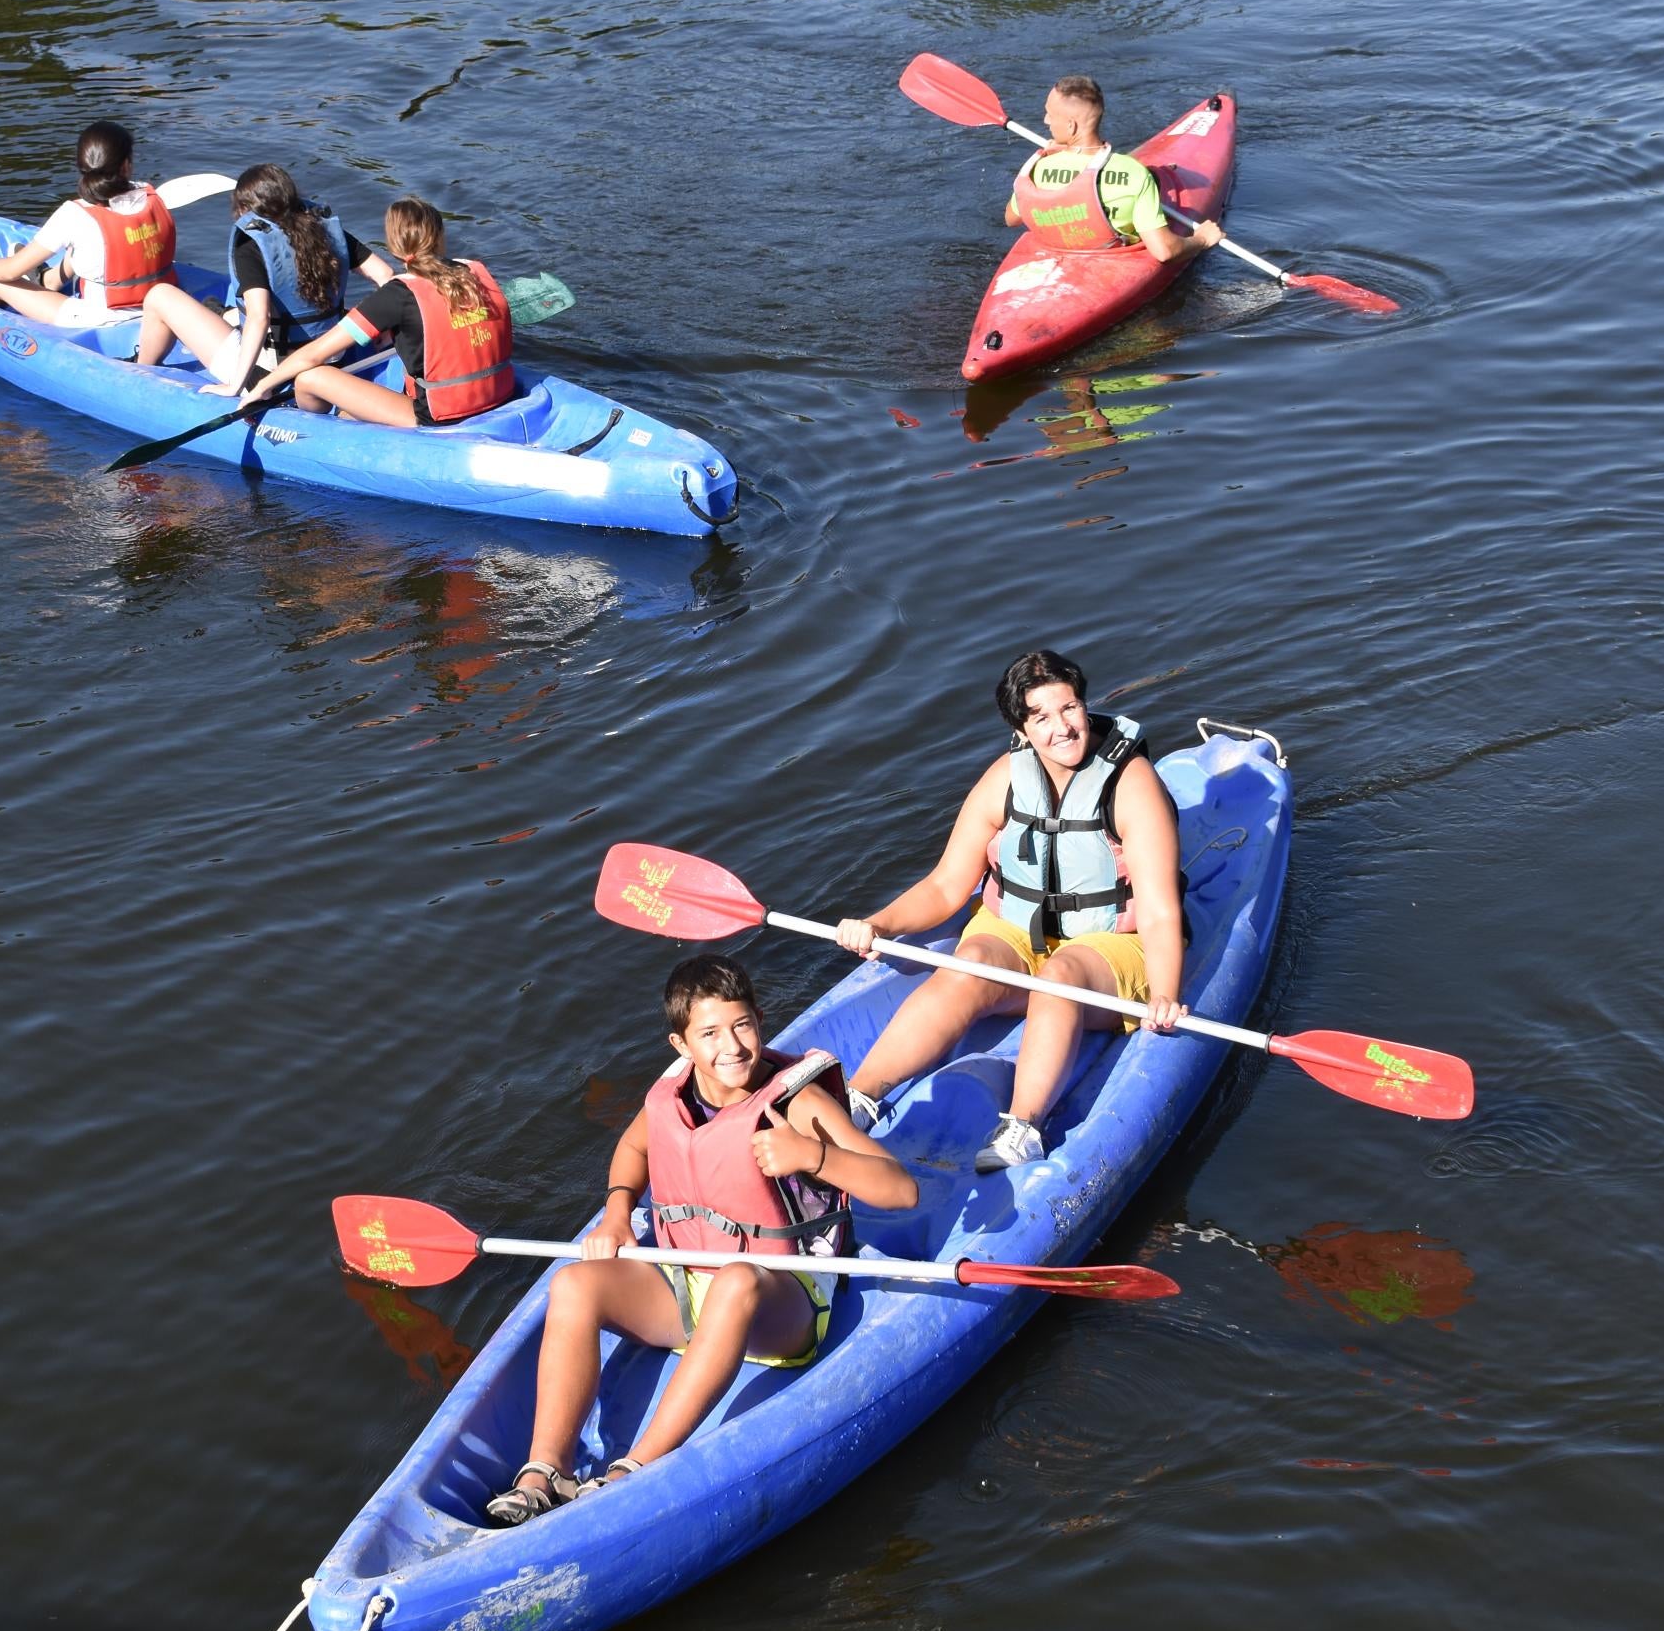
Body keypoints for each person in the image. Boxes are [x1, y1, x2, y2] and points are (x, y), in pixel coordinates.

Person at [485, 954, 917, 1527]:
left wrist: (812, 1155)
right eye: (709, 1033)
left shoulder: (797, 1106)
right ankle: (545, 1473)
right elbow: (635, 1149)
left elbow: (901, 1190)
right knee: (574, 1284)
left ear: (760, 1020)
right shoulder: (672, 1096)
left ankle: (632, 1470)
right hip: (686, 1284)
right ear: (681, 1045)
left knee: (737, 1280)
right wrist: (617, 1213)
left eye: (742, 1025)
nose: (732, 1046)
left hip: (781, 1302)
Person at [831, 650, 1189, 1174]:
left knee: (1060, 978)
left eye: (1069, 708)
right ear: (1020, 729)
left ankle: (1022, 1126)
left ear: (1085, 706)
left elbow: (1158, 910)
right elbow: (946, 885)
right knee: (965, 964)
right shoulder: (1005, 777)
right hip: (1017, 931)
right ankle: (858, 1098)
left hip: (1111, 946)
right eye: (1041, 716)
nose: (1062, 727)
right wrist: (879, 924)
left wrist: (1165, 995)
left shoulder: (1131, 785)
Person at [235, 198, 517, 429]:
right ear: (441, 237)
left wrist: (262, 387)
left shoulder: (395, 297)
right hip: (499, 393)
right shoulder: (475, 270)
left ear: (394, 247)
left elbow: (314, 355)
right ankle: (349, 418)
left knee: (309, 377)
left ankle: (316, 431)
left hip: (438, 415)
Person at [129, 163, 391, 390]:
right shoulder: (326, 231)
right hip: (333, 359)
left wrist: (236, 386)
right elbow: (385, 275)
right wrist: (386, 330)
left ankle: (139, 374)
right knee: (232, 313)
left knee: (160, 296)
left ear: (245, 209)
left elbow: (259, 317)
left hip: (271, 375)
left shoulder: (252, 244)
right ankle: (222, 314)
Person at [0, 121, 177, 328]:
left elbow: (10, 271)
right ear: (126, 166)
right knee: (92, 244)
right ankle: (50, 280)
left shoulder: (74, 215)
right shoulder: (152, 196)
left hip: (101, 318)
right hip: (160, 306)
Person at [1007, 75, 1227, 265]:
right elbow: (1164, 251)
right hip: (1111, 253)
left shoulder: (1038, 167)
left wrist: (1048, 156)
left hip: (1059, 251)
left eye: (1050, 114)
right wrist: (1202, 239)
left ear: (1071, 125)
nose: (1045, 120)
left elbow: (1012, 218)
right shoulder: (1133, 173)